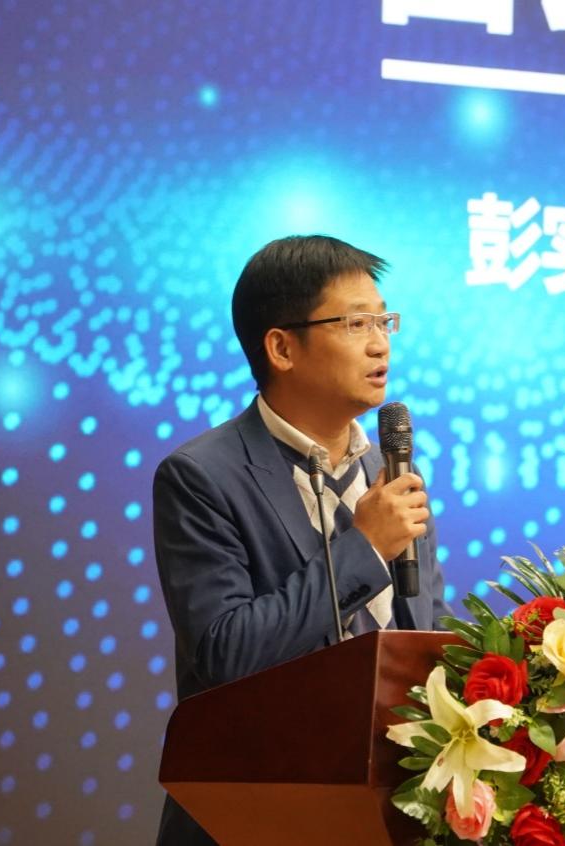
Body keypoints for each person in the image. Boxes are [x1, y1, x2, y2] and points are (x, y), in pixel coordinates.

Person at [151, 235, 452, 845]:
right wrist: (365, 548)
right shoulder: (202, 476)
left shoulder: (391, 473)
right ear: (282, 347)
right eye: (356, 323)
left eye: (384, 321)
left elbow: (427, 630)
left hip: (390, 811)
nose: (380, 343)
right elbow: (227, 653)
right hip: (258, 814)